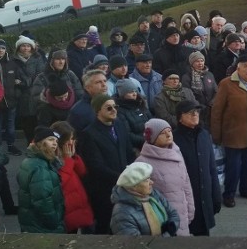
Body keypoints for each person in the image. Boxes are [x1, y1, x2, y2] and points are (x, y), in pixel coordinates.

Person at [210, 54, 247, 208]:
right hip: (233, 133)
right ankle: (228, 194)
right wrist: (216, 134)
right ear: (238, 68)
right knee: (233, 166)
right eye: (246, 66)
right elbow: (217, 110)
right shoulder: (226, 84)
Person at [78, 94, 136, 234]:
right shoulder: (89, 134)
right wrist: (123, 178)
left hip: (124, 186)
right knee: (106, 227)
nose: (113, 110)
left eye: (115, 107)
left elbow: (129, 152)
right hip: (104, 191)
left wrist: (131, 173)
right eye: (108, 108)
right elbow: (96, 166)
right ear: (98, 111)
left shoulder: (120, 126)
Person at [135, 118, 195, 236]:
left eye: (169, 131)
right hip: (162, 221)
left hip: (183, 216)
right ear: (152, 138)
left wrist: (190, 209)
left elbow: (186, 183)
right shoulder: (142, 162)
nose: (168, 135)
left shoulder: (176, 153)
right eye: (162, 133)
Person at [173, 100, 221, 236]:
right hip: (187, 198)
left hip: (205, 195)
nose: (195, 114)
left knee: (204, 237)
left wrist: (216, 195)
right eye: (190, 112)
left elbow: (212, 167)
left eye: (197, 111)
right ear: (180, 117)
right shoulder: (174, 139)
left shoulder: (204, 135)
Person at [110, 162, 180, 237]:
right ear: (134, 186)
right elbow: (136, 244)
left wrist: (172, 227)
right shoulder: (122, 213)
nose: (152, 182)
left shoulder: (154, 194)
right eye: (146, 180)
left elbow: (173, 213)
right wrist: (168, 234)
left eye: (150, 178)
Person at [16, 126, 64, 233]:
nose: (55, 143)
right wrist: (54, 222)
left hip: (33, 223)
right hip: (43, 227)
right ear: (40, 142)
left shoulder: (32, 161)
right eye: (50, 139)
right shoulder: (40, 167)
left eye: (56, 140)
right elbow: (42, 201)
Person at [54, 121, 95, 234]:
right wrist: (67, 160)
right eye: (70, 139)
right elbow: (61, 180)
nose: (72, 142)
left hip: (76, 204)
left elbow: (82, 172)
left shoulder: (68, 155)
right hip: (66, 207)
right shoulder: (53, 157)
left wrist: (74, 157)